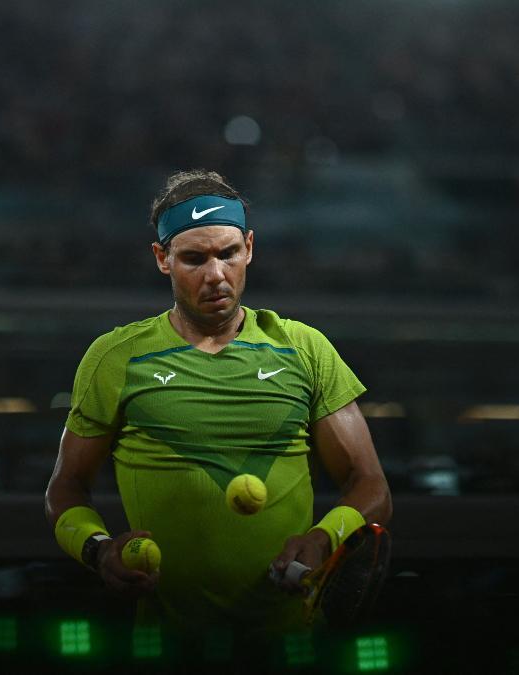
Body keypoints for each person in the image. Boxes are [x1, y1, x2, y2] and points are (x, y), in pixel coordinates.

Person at [44, 169, 392, 647]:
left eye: (228, 253)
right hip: (166, 648)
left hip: (292, 644)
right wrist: (99, 550)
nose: (215, 274)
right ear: (162, 259)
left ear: (249, 247)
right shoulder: (115, 356)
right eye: (194, 258)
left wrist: (323, 538)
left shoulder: (306, 349)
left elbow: (371, 485)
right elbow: (64, 487)